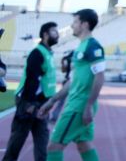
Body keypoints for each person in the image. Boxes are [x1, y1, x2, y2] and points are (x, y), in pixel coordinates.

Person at [38, 9, 104, 161]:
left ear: (84, 24)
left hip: (79, 106)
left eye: (75, 22)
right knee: (83, 144)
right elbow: (73, 81)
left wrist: (88, 105)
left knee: (54, 146)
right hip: (77, 103)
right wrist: (52, 101)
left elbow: (100, 77)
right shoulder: (81, 47)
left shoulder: (93, 46)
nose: (72, 25)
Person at [3, 22, 59, 161]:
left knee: (42, 139)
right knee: (17, 140)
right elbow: (31, 79)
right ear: (45, 34)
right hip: (29, 101)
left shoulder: (48, 53)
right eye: (53, 31)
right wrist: (28, 104)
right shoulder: (37, 53)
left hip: (42, 103)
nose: (57, 34)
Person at [49, 50, 73, 123]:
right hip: (72, 81)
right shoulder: (78, 61)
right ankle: (66, 118)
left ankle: (55, 117)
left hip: (67, 80)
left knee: (61, 101)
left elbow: (63, 70)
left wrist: (63, 62)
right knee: (69, 101)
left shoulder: (67, 60)